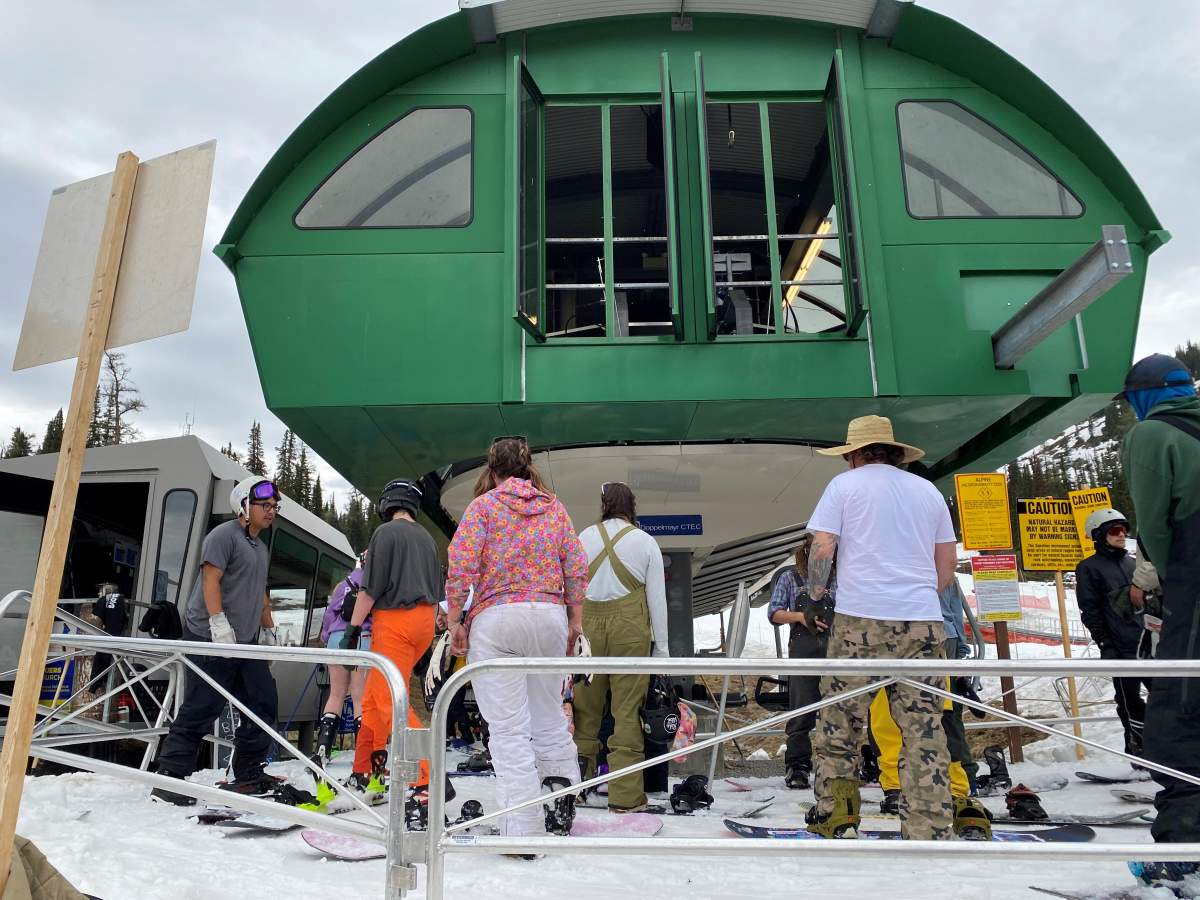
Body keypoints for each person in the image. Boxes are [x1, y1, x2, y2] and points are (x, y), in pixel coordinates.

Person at [802, 415, 956, 840]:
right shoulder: (927, 491)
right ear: (896, 454)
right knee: (923, 728)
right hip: (923, 623)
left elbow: (823, 545)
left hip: (859, 619)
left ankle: (838, 816)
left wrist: (816, 593)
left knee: (840, 722)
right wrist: (920, 594)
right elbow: (947, 564)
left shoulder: (844, 487)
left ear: (853, 455)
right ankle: (929, 827)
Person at [446, 437, 587, 842]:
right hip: (548, 617)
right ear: (527, 470)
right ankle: (561, 801)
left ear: (492, 472)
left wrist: (456, 620)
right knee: (547, 717)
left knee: (509, 731)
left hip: (498, 619)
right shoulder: (553, 508)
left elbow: (462, 567)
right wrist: (573, 621)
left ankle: (523, 828)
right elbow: (576, 567)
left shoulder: (483, 508)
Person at [1118, 353, 1200, 888]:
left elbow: (1152, 523)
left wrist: (1167, 584)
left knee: (1177, 713)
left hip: (1194, 589)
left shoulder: (1153, 436)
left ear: (1143, 395)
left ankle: (1183, 852)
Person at [151, 477, 282, 805]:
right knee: (204, 703)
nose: (271, 511)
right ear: (243, 505)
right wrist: (217, 622)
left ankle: (249, 768)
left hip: (245, 642)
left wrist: (269, 630)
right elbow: (211, 579)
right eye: (264, 505)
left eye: (274, 507)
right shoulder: (223, 536)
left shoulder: (260, 547)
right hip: (210, 636)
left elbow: (260, 594)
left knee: (263, 700)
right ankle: (170, 778)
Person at [341, 479, 442, 802]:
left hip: (394, 622)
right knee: (372, 698)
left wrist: (352, 630)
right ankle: (366, 771)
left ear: (388, 503)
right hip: (424, 621)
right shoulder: (426, 538)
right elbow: (439, 594)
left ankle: (426, 777)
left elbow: (370, 590)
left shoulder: (385, 534)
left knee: (389, 700)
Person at [573, 481, 668, 813]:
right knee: (627, 711)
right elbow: (657, 600)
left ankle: (577, 787)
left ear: (604, 505)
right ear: (632, 507)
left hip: (588, 626)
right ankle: (626, 797)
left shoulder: (583, 537)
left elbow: (569, 590)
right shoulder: (645, 542)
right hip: (630, 629)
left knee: (586, 709)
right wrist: (662, 650)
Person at [1074, 507, 1148, 761]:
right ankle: (1137, 751)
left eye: (1124, 530)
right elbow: (1090, 610)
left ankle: (1165, 751)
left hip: (1148, 645)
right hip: (1120, 646)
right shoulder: (1089, 568)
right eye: (1115, 531)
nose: (1121, 535)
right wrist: (1105, 642)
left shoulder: (1133, 564)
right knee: (1129, 701)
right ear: (1099, 535)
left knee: (1165, 697)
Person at [766, 535, 830, 790]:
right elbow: (774, 612)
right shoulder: (790, 578)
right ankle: (798, 765)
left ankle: (836, 766)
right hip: (804, 652)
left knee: (838, 712)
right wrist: (801, 617)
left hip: (836, 652)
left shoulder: (841, 577)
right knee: (801, 712)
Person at [313, 553, 371, 766]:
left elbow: (330, 614)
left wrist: (326, 637)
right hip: (362, 639)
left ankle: (322, 750)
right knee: (359, 697)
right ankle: (363, 754)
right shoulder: (376, 585)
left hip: (336, 639)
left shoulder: (343, 584)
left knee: (335, 694)